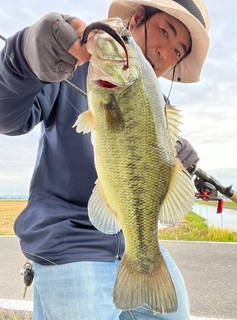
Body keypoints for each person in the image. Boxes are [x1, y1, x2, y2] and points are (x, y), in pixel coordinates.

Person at [0, 0, 210, 319]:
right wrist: (22, 60)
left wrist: (176, 156)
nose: (165, 54)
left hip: (132, 241)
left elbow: (151, 168)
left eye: (178, 51)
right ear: (137, 18)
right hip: (69, 242)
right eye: (164, 32)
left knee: (176, 312)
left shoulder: (159, 105)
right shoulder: (64, 67)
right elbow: (8, 118)